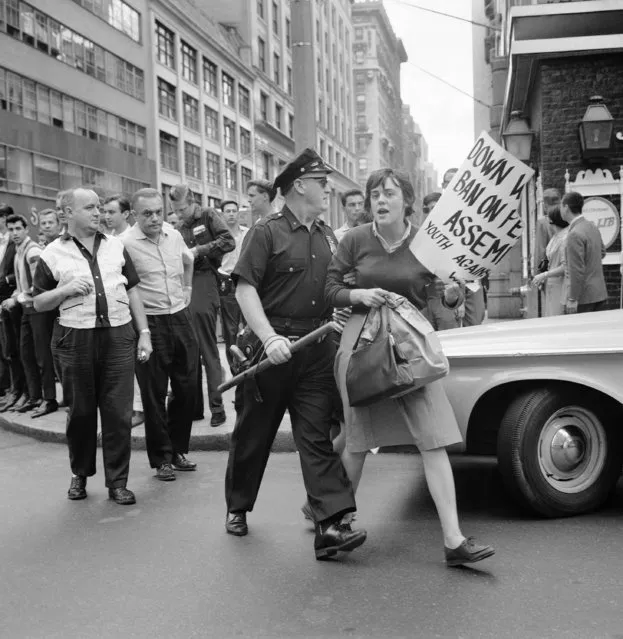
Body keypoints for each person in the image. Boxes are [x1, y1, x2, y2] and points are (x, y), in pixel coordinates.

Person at [325, 167, 495, 567]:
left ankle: (454, 541)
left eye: (388, 193)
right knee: (357, 443)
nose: (380, 201)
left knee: (433, 441)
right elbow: (329, 289)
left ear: (406, 200)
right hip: (363, 348)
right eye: (374, 195)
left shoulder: (428, 242)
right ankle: (333, 525)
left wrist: (453, 295)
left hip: (410, 349)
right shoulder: (354, 239)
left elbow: (445, 298)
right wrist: (358, 293)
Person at [225, 148, 367, 560]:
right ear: (299, 186)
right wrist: (269, 338)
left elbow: (335, 288)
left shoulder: (327, 236)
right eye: (321, 184)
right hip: (270, 352)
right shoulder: (265, 232)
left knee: (316, 437)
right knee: (253, 435)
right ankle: (237, 506)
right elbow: (244, 289)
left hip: (315, 351)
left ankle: (330, 526)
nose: (327, 190)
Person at [32, 187, 152, 505]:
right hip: (75, 339)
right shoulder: (51, 254)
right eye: (89, 207)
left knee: (118, 412)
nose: (98, 212)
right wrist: (65, 290)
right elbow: (39, 302)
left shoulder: (116, 247)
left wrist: (144, 333)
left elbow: (134, 291)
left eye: (99, 207)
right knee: (82, 413)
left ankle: (118, 482)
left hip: (118, 336)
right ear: (67, 213)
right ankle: (80, 474)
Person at [122, 189, 198, 481]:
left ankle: (179, 449)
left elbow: (187, 261)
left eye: (158, 212)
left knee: (187, 387)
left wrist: (188, 288)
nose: (155, 218)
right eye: (147, 213)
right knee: (153, 393)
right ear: (134, 215)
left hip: (180, 316)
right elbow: (127, 288)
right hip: (148, 322)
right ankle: (162, 458)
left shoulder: (173, 234)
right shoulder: (124, 244)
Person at [169, 185, 234, 428]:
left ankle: (217, 408)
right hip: (185, 284)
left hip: (205, 279)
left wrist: (198, 250)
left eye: (182, 209)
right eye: (175, 211)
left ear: (194, 203)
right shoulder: (179, 228)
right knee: (188, 352)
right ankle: (194, 407)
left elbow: (228, 241)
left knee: (207, 349)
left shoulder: (207, 216)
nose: (180, 214)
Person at [4, 214, 57, 417]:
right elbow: (22, 286)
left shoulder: (32, 250)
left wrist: (17, 298)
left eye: (18, 228)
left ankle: (49, 399)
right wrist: (15, 296)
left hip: (38, 308)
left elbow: (38, 285)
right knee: (27, 354)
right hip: (27, 309)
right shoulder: (19, 251)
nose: (15, 233)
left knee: (42, 356)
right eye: (11, 229)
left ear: (26, 229)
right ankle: (35, 397)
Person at [419, 193, 463, 331]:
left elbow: (462, 271)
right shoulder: (419, 235)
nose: (433, 212)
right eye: (430, 209)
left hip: (446, 298)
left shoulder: (455, 234)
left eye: (436, 207)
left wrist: (460, 303)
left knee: (450, 342)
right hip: (425, 300)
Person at [561, 191, 608, 314]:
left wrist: (573, 298)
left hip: (583, 297)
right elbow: (602, 252)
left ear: (566, 207)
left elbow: (576, 269)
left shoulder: (574, 234)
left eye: (561, 206)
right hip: (599, 292)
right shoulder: (592, 226)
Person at [217, 200, 249, 373]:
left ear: (238, 213)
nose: (231, 214)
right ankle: (234, 368)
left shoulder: (248, 233)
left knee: (250, 324)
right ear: (222, 214)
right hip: (226, 283)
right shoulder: (220, 237)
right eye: (227, 211)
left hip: (245, 282)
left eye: (234, 211)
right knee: (230, 329)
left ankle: (249, 361)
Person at [0, 204, 22, 408]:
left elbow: (21, 274)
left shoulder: (16, 243)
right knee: (5, 348)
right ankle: (10, 389)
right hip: (3, 302)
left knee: (14, 348)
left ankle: (19, 391)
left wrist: (6, 280)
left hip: (14, 301)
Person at [530, 206, 569, 316]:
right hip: (551, 283)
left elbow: (565, 266)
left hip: (560, 284)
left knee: (557, 316)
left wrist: (544, 275)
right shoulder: (555, 237)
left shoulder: (565, 238)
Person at [534, 188, 561, 273]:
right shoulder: (568, 219)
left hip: (550, 273)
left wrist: (537, 275)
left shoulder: (543, 223)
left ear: (545, 205)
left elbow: (540, 252)